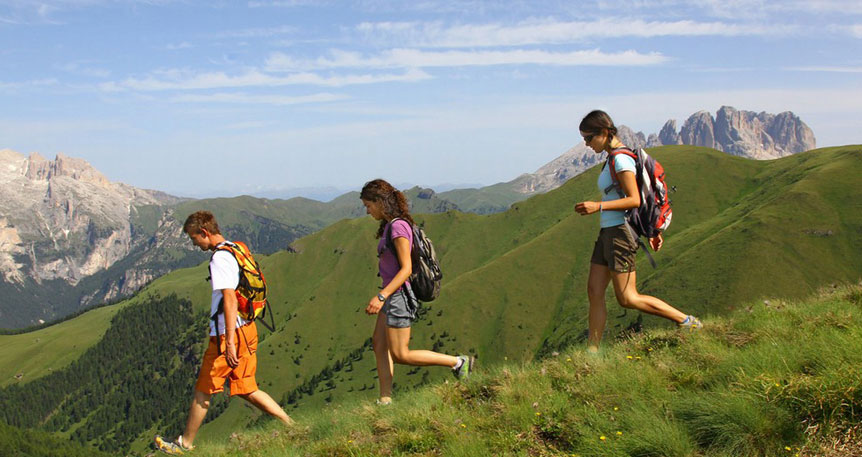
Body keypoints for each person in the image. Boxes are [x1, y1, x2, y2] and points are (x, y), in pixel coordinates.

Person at [155, 211, 292, 455]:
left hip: (228, 334)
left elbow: (229, 300)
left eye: (194, 238)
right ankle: (292, 426)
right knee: (247, 387)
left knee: (203, 388)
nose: (194, 244)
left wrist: (228, 342)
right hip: (247, 329)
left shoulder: (220, 258)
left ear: (204, 232)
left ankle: (184, 445)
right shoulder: (236, 248)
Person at [574, 110, 702, 353]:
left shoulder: (620, 160)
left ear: (603, 132)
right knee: (594, 290)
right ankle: (592, 353)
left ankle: (687, 322)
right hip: (608, 232)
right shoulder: (612, 157)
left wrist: (597, 206)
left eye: (589, 138)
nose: (586, 144)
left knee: (628, 298)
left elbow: (634, 200)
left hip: (620, 233)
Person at [359, 179, 474, 405]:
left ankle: (458, 362)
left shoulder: (398, 227)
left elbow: (406, 269)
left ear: (380, 202)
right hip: (392, 294)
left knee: (401, 354)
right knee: (379, 344)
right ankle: (385, 400)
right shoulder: (390, 224)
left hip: (398, 296)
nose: (367, 210)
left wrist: (381, 297)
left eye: (368, 205)